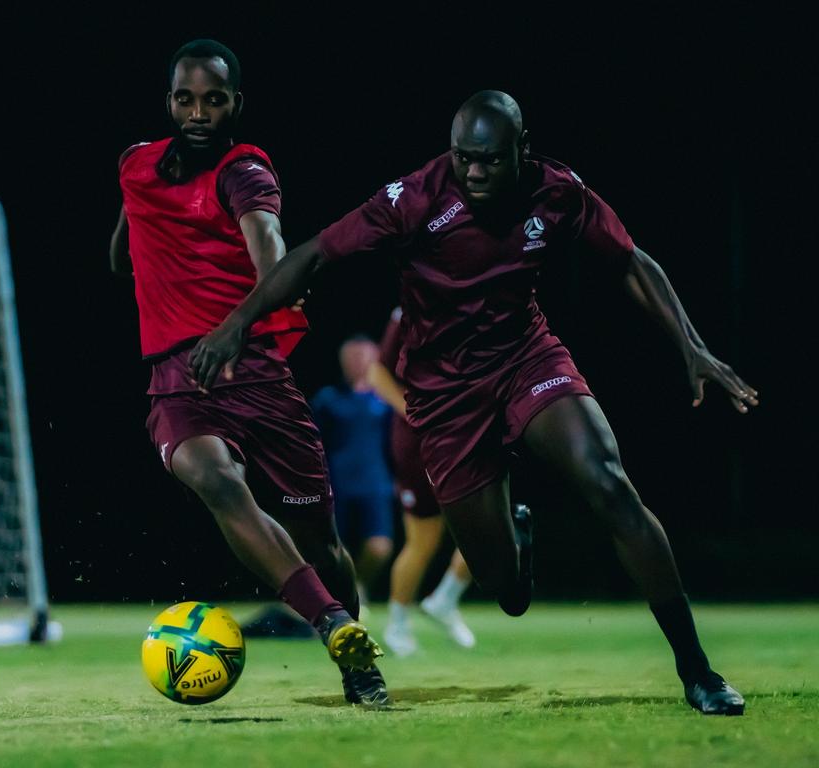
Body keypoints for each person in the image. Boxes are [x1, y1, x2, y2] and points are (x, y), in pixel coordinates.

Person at [188, 90, 758, 715]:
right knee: (504, 590)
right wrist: (240, 321)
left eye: (490, 160)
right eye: (465, 159)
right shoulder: (414, 199)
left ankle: (697, 671)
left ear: (522, 149)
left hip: (526, 360)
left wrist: (693, 348)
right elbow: (316, 254)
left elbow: (630, 262)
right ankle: (516, 542)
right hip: (444, 397)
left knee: (609, 483)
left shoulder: (557, 190)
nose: (475, 172)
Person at [110, 39, 387, 706]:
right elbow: (122, 256)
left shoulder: (245, 171)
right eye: (185, 99)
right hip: (179, 379)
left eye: (213, 99)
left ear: (237, 104)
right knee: (216, 481)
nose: (198, 112)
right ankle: (332, 624)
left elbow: (268, 238)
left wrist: (245, 313)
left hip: (256, 376)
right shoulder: (138, 166)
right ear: (169, 102)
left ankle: (358, 658)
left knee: (321, 546)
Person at [370, 306, 483, 654]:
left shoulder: (481, 297)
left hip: (466, 432)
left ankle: (445, 599)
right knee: (423, 539)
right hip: (420, 441)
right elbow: (378, 376)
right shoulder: (410, 308)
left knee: (489, 528)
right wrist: (415, 414)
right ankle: (398, 626)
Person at [311, 336, 395, 614]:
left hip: (376, 484)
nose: (357, 363)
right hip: (337, 485)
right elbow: (312, 443)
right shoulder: (328, 399)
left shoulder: (386, 400)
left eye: (363, 357)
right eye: (351, 358)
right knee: (334, 548)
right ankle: (336, 596)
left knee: (379, 546)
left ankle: (359, 586)